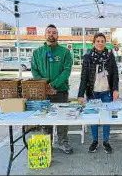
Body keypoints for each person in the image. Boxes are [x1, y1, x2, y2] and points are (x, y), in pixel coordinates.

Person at [31, 24, 73, 154]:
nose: (51, 35)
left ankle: (63, 142)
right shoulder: (37, 52)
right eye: (49, 32)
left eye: (54, 32)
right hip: (43, 92)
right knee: (45, 118)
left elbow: (66, 71)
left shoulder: (65, 52)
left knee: (62, 118)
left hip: (60, 91)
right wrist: (45, 86)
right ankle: (46, 143)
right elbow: (34, 71)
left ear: (57, 35)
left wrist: (54, 85)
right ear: (45, 34)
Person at [77, 33, 119, 154]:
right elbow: (84, 77)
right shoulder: (87, 57)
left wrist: (115, 89)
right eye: (98, 41)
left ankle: (106, 141)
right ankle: (95, 140)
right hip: (92, 93)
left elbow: (115, 74)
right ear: (94, 43)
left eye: (102, 41)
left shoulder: (110, 56)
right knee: (93, 117)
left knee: (107, 118)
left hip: (106, 92)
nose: (100, 43)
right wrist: (80, 94)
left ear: (105, 43)